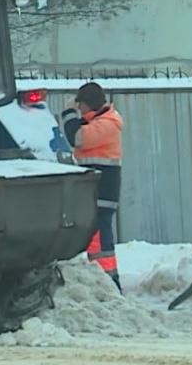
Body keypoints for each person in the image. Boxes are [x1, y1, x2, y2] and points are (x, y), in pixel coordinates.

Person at [62, 82, 123, 291]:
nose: (79, 109)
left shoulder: (107, 124)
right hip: (96, 190)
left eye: (81, 105)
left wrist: (68, 113)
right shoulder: (98, 122)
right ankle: (104, 279)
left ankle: (109, 282)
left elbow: (76, 138)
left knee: (99, 237)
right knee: (94, 236)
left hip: (102, 190)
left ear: (89, 104)